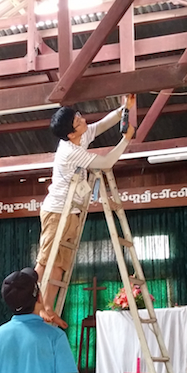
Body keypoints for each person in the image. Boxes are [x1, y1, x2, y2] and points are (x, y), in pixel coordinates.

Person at [36, 95, 136, 327]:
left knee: (59, 265)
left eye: (79, 116)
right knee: (44, 262)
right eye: (77, 121)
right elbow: (106, 163)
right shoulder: (70, 151)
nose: (83, 121)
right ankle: (33, 305)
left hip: (71, 212)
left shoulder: (81, 135)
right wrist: (125, 141)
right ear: (70, 134)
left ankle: (48, 308)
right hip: (57, 211)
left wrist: (124, 109)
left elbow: (100, 126)